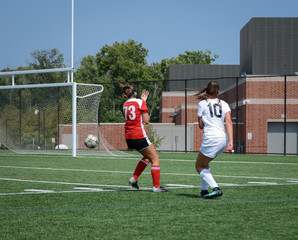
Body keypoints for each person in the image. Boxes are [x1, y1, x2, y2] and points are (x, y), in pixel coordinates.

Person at [120, 83, 169, 192]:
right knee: (155, 158)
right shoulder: (140, 102)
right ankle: (156, 187)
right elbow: (146, 121)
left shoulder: (125, 105)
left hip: (129, 136)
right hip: (139, 135)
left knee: (147, 157)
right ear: (135, 93)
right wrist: (144, 101)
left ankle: (134, 178)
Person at [195, 81, 233, 199]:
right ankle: (204, 190)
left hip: (211, 138)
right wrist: (231, 141)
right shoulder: (224, 104)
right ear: (218, 91)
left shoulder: (202, 104)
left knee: (199, 166)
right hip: (223, 138)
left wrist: (203, 120)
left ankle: (216, 188)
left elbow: (201, 126)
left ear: (207, 90)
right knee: (205, 164)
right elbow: (229, 122)